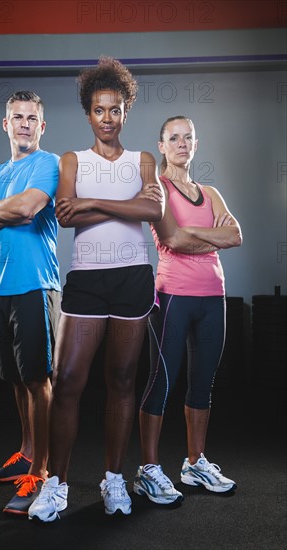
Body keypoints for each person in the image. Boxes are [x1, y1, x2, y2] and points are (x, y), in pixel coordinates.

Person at [28, 56, 165, 522]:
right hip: (86, 277)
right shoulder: (72, 160)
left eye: (116, 109)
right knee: (67, 382)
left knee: (122, 381)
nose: (108, 118)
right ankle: (57, 485)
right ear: (88, 113)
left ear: (126, 111)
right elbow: (66, 215)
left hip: (132, 276)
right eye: (99, 110)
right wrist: (124, 204)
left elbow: (153, 212)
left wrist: (92, 202)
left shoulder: (143, 159)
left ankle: (113, 479)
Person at [0, 91, 61, 515]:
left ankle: (40, 473)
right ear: (6, 124)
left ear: (42, 125)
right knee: (17, 379)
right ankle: (25, 452)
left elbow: (29, 209)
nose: (23, 124)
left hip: (36, 285)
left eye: (31, 118)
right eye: (16, 117)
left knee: (38, 379)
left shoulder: (49, 164)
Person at [134, 116, 242, 505]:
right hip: (173, 297)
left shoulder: (210, 192)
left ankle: (195, 463)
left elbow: (236, 234)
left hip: (213, 297)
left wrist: (193, 234)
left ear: (196, 144)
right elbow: (173, 238)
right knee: (160, 382)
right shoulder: (156, 190)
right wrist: (208, 237)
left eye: (189, 137)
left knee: (202, 384)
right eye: (174, 138)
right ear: (161, 146)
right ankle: (148, 469)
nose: (182, 143)